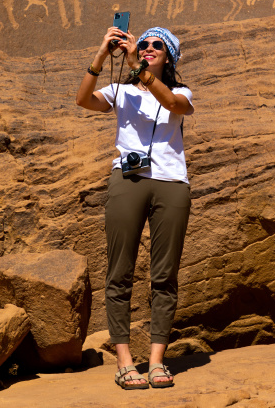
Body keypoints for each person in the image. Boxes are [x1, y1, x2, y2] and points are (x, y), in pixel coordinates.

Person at [76, 25, 194, 390]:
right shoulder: (120, 91)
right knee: (119, 271)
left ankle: (157, 361)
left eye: (156, 45)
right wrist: (101, 54)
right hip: (127, 181)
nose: (147, 48)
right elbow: (82, 100)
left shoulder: (181, 92)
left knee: (164, 275)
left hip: (172, 183)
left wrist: (137, 68)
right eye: (142, 44)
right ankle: (126, 362)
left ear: (169, 55)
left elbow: (174, 107)